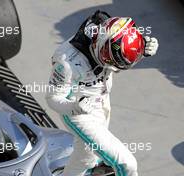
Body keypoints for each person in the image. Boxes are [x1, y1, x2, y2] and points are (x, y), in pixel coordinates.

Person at [46, 10, 159, 176]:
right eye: (110, 61)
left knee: (87, 157)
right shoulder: (66, 62)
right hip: (79, 113)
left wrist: (142, 49)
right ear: (100, 45)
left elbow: (122, 50)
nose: (112, 67)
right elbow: (52, 98)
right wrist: (76, 107)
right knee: (127, 164)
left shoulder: (113, 34)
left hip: (102, 103)